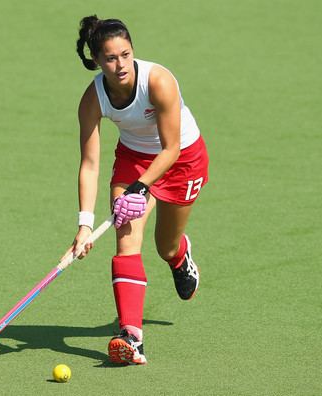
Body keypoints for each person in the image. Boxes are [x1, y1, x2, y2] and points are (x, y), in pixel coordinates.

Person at [61, 15, 209, 365]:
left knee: (165, 245)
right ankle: (131, 336)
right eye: (110, 58)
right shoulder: (92, 99)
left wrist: (140, 190)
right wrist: (84, 224)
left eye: (125, 54)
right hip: (133, 159)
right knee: (126, 237)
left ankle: (179, 256)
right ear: (97, 61)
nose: (120, 64)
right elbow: (90, 164)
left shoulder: (158, 81)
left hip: (182, 159)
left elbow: (171, 148)